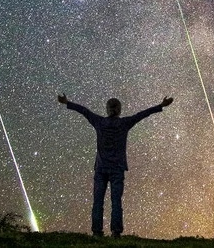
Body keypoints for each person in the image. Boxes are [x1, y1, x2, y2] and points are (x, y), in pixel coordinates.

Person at [58, 93, 174, 238]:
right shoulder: (124, 123)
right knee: (116, 201)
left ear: (107, 109)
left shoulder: (99, 122)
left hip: (101, 168)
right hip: (117, 169)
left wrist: (67, 102)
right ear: (119, 110)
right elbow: (142, 114)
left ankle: (96, 232)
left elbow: (84, 111)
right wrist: (161, 106)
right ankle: (116, 232)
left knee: (98, 201)